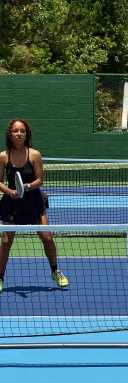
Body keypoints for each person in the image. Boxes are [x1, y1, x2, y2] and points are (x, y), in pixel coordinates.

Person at [0, 119, 69, 291]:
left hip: (34, 201)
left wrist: (27, 187)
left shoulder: (35, 155)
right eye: (16, 131)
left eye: (22, 131)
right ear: (10, 134)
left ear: (26, 134)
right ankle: (0, 277)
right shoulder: (3, 156)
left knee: (47, 238)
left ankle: (55, 270)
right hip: (11, 203)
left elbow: (40, 180)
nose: (19, 134)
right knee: (6, 242)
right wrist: (10, 192)